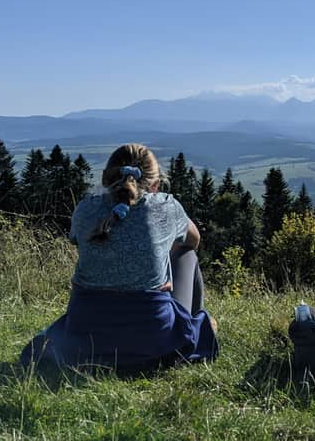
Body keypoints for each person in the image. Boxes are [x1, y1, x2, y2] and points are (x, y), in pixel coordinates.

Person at [20, 143, 218, 371]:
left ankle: (187, 329)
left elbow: (77, 241)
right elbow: (194, 240)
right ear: (155, 185)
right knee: (187, 254)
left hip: (83, 346)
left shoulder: (85, 210)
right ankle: (191, 331)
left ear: (105, 178)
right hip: (153, 345)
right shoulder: (167, 208)